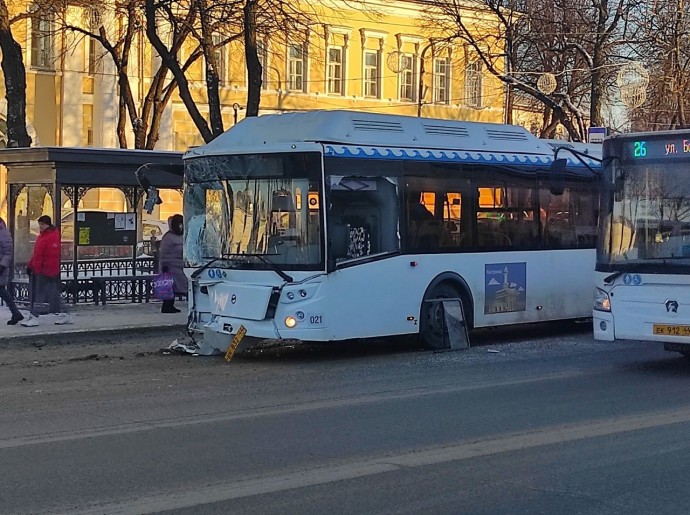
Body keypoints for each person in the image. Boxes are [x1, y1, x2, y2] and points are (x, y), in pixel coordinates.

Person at [21, 215, 72, 327]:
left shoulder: (51, 237)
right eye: (40, 224)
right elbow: (37, 254)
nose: (40, 226)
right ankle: (65, 313)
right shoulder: (42, 236)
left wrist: (39, 268)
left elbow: (51, 257)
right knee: (53, 295)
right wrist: (31, 265)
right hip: (41, 270)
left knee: (40, 295)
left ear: (48, 224)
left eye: (42, 224)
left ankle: (34, 316)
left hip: (46, 271)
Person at [158, 214, 187, 313]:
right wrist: (165, 265)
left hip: (180, 265)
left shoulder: (182, 236)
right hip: (171, 266)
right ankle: (167, 306)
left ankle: (170, 306)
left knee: (178, 286)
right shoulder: (168, 237)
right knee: (169, 287)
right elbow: (164, 253)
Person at [0, 217, 24, 325]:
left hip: (0, 267)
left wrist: (2, 266)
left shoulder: (3, 233)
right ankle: (16, 313)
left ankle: (16, 313)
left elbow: (8, 252)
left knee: (2, 291)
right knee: (2, 292)